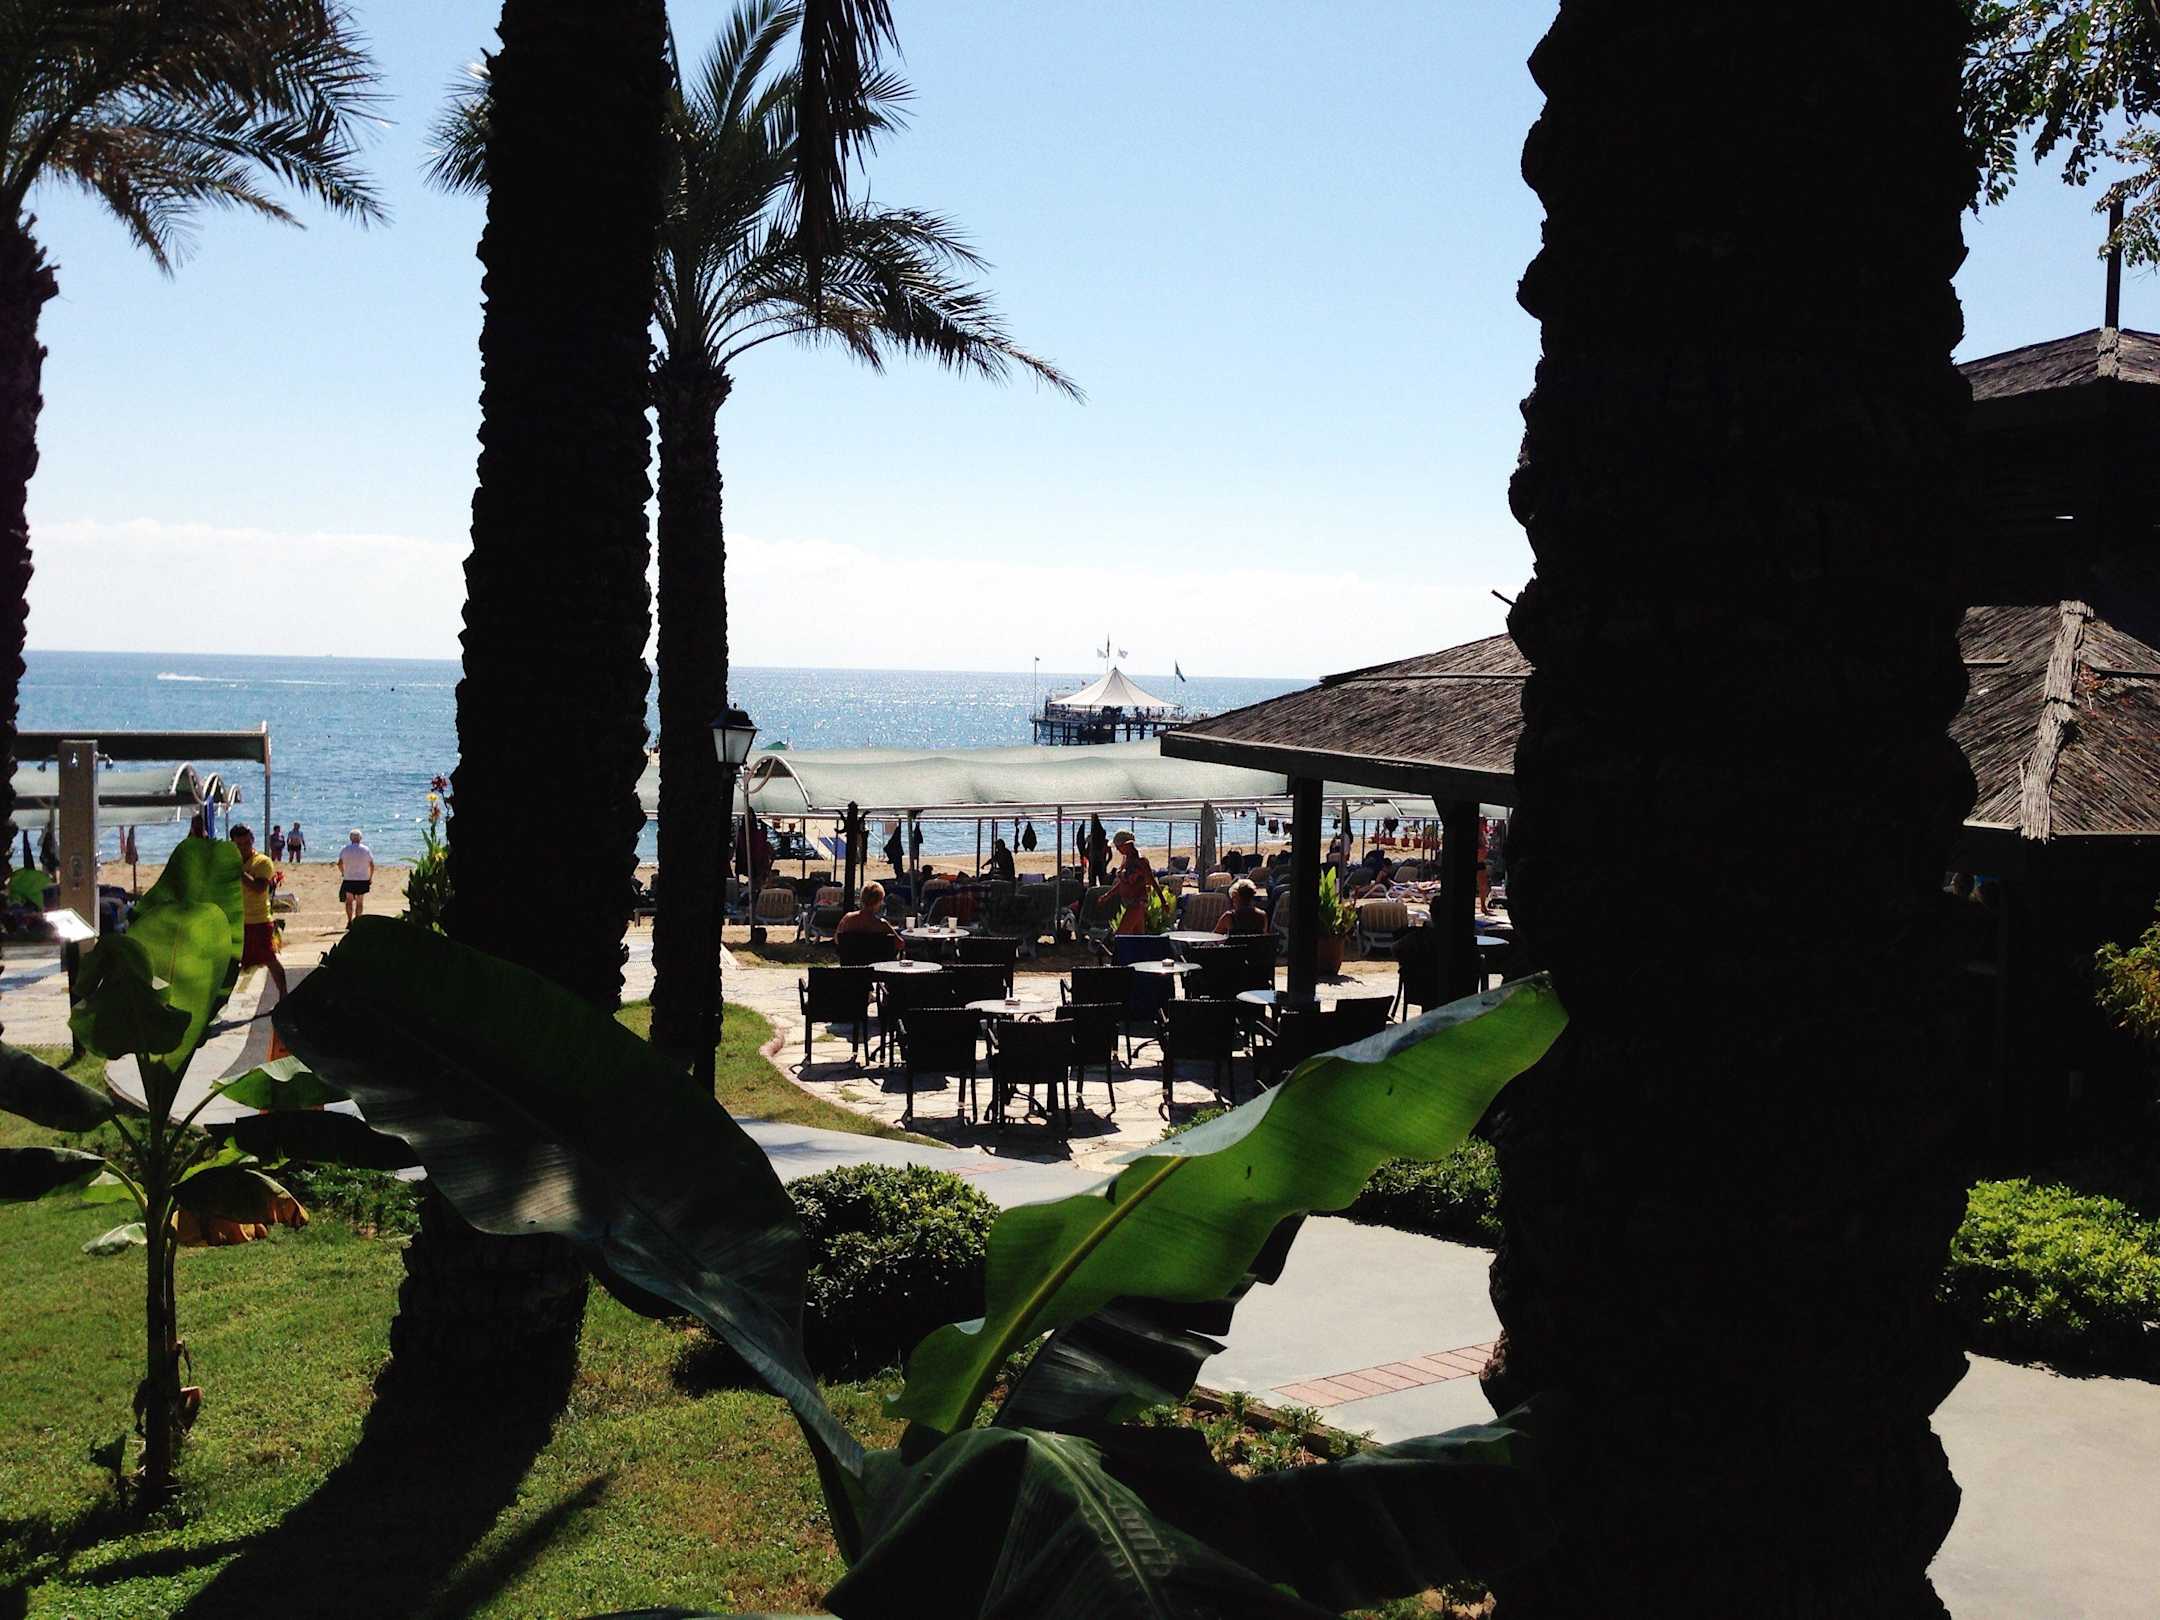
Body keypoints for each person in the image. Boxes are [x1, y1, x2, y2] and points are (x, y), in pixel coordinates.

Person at [229, 825, 288, 1000]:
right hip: (235, 920)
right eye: (239, 844)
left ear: (252, 841)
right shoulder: (228, 863)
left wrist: (239, 872)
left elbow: (259, 888)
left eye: (247, 843)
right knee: (230, 963)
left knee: (269, 959)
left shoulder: (262, 862)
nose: (243, 847)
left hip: (258, 920)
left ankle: (284, 996)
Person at [1101, 829, 1158, 935]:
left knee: (1121, 936)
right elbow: (1123, 882)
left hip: (1137, 902)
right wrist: (1108, 895)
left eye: (1118, 846)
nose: (1117, 849)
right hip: (1129, 902)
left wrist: (1164, 902)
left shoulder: (1140, 860)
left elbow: (1151, 880)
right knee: (1138, 937)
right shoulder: (1126, 859)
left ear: (1126, 845)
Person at [835, 881, 904, 956]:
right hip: (877, 962)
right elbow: (900, 944)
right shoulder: (882, 925)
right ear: (879, 901)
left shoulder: (847, 919)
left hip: (850, 962)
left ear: (862, 898)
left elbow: (837, 939)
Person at [336, 828, 376, 926]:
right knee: (359, 901)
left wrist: (343, 872)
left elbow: (339, 863)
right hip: (362, 879)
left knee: (349, 901)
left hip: (349, 878)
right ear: (360, 838)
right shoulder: (365, 849)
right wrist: (370, 877)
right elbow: (371, 864)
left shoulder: (345, 849)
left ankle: (350, 921)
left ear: (350, 838)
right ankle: (358, 921)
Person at [1085, 815, 1110, 886]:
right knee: (1101, 882)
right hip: (1100, 863)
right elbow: (1110, 854)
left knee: (1094, 882)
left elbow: (1086, 852)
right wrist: (1106, 862)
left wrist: (1089, 859)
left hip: (1095, 863)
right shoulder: (1103, 841)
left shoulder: (1093, 840)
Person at [883, 819, 906, 887]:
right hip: (896, 854)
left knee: (897, 867)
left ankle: (899, 877)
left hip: (896, 854)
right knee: (898, 867)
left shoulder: (894, 840)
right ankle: (899, 877)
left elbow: (886, 848)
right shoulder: (895, 840)